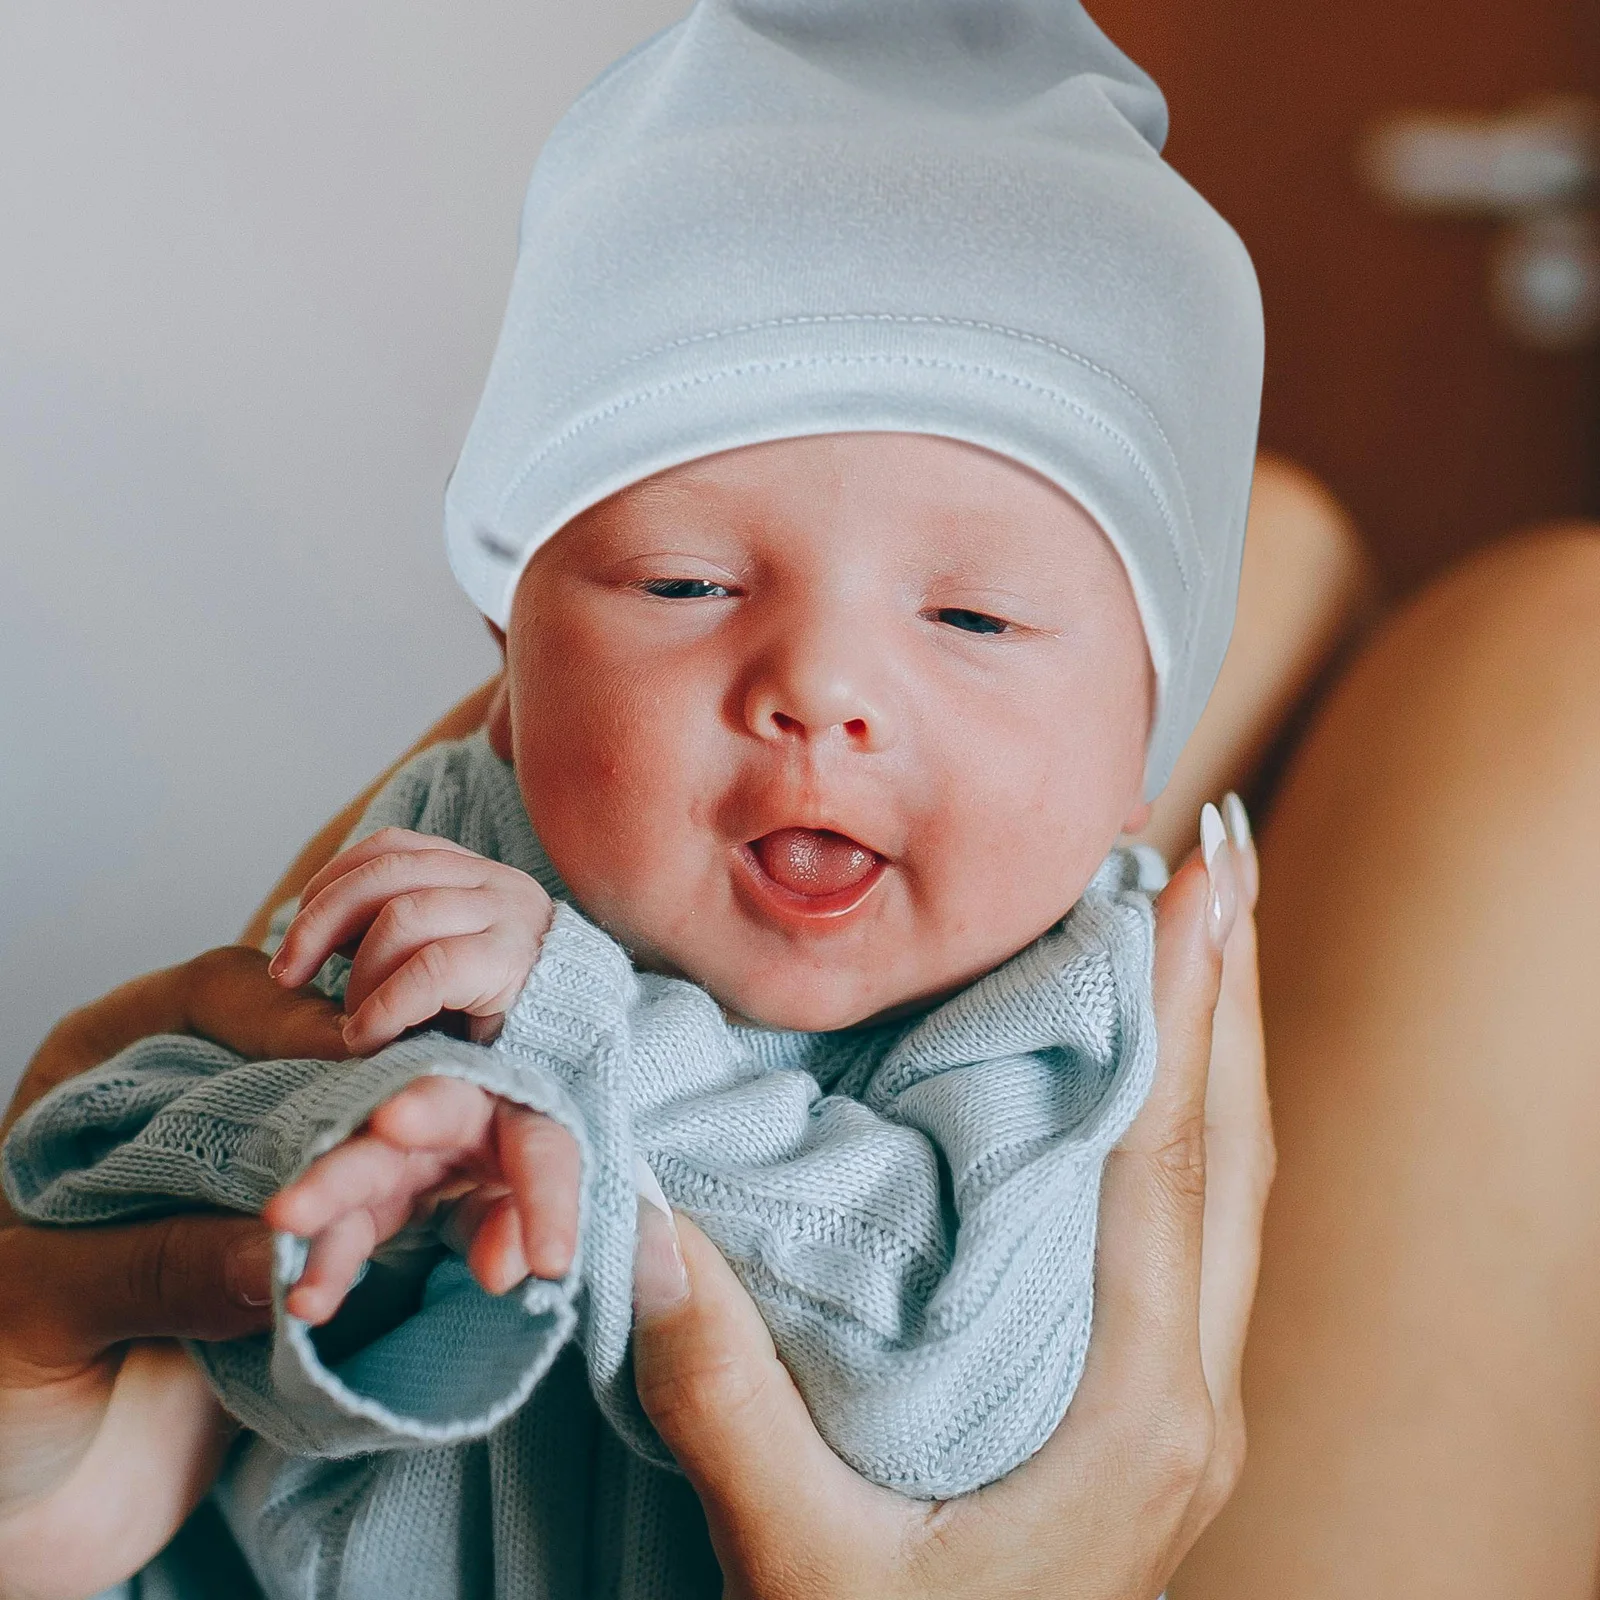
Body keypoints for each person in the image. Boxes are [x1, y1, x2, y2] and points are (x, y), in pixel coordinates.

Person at [3, 0, 1268, 1586]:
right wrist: (354, 1167)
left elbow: (948, 1413)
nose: (823, 688)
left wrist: (580, 1036)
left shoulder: (1067, 995)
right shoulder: (468, 842)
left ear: (1139, 761)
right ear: (510, 662)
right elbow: (101, 1199)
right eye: (686, 583)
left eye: (973, 619)